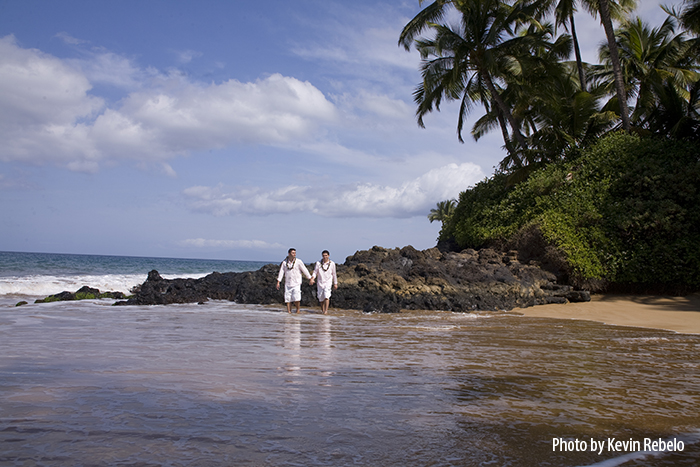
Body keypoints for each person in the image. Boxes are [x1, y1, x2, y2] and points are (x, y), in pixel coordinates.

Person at [276, 248, 311, 313]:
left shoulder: (298, 261)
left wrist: (310, 278)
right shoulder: (284, 263)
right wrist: (278, 282)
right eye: (293, 253)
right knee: (288, 299)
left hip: (296, 283)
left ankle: (298, 310)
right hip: (288, 283)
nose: (294, 254)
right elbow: (281, 272)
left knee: (296, 298)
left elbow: (304, 270)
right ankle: (289, 311)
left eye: (295, 253)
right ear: (289, 254)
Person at [310, 250, 338, 314]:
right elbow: (315, 272)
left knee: (326, 296)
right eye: (323, 256)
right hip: (320, 282)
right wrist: (312, 278)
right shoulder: (318, 263)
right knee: (321, 298)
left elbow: (334, 274)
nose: (324, 257)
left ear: (328, 256)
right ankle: (322, 310)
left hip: (328, 282)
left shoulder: (332, 264)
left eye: (326, 255)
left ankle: (326, 311)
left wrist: (335, 283)